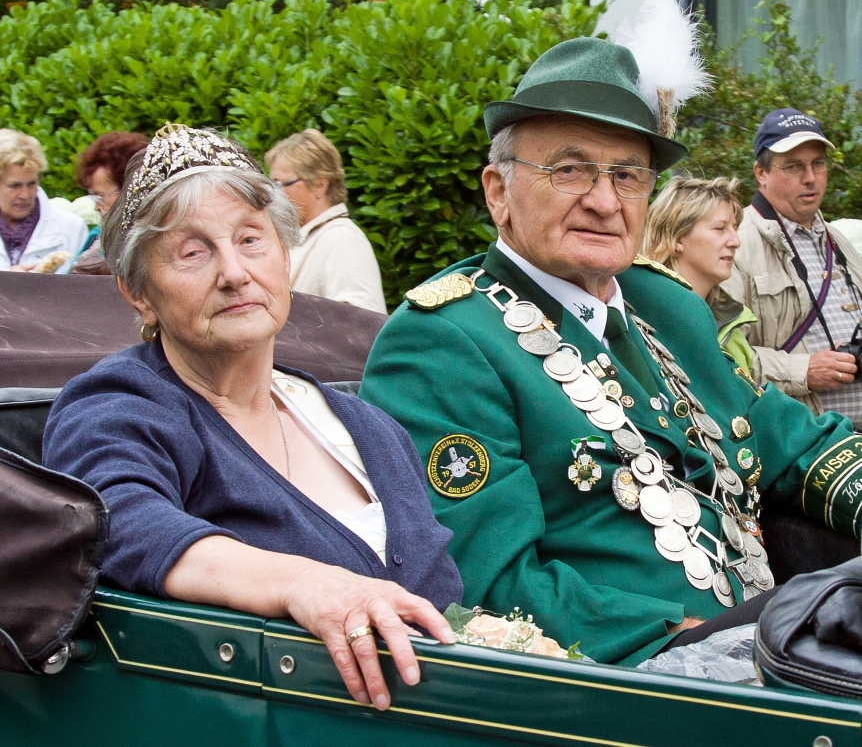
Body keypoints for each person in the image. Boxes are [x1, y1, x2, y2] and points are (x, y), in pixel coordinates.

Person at [359, 38, 862, 667]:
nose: (604, 201)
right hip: (637, 679)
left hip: (777, 641)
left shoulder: (664, 305)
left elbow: (788, 440)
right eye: (568, 170)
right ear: (498, 191)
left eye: (627, 176)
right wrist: (695, 636)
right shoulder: (442, 340)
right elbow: (485, 586)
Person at [42, 124, 461, 711]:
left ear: (284, 256)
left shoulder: (370, 427)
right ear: (137, 291)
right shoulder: (119, 405)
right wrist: (305, 583)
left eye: (251, 239)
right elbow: (113, 523)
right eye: (192, 253)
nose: (234, 272)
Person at [723, 109, 862, 427]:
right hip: (805, 448)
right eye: (794, 167)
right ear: (761, 173)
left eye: (818, 164)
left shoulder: (838, 239)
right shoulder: (733, 243)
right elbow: (721, 356)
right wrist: (803, 371)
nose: (810, 177)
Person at [265, 129, 387, 314]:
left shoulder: (343, 240)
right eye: (272, 185)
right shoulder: (310, 237)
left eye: (281, 184)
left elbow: (362, 324)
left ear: (320, 184)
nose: (274, 194)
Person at [643, 176, 756, 373]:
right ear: (677, 237)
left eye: (734, 228)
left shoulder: (730, 327)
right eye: (720, 228)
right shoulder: (641, 318)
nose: (735, 241)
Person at [0, 129, 88, 272]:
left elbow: (82, 290)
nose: (25, 195)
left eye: (31, 184)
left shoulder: (71, 228)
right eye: (14, 186)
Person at [69, 131, 149, 275]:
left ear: (130, 192)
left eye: (100, 196)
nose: (96, 206)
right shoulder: (96, 237)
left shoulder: (153, 245)